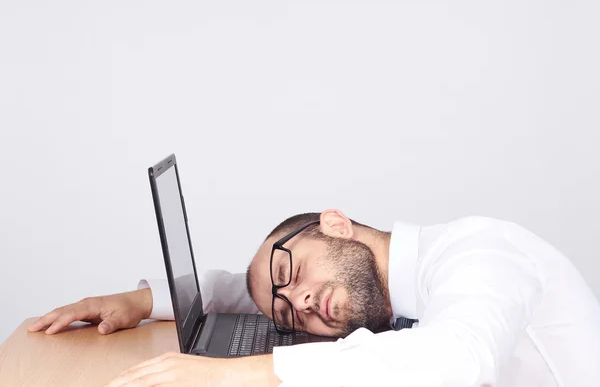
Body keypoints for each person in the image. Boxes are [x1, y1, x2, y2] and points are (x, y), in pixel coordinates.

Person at [29, 210, 600, 386]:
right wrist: (141, 299)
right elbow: (245, 289)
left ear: (337, 224)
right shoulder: (391, 291)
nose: (300, 302)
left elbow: (460, 361)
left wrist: (238, 373)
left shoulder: (478, 251)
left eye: (293, 269)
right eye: (285, 311)